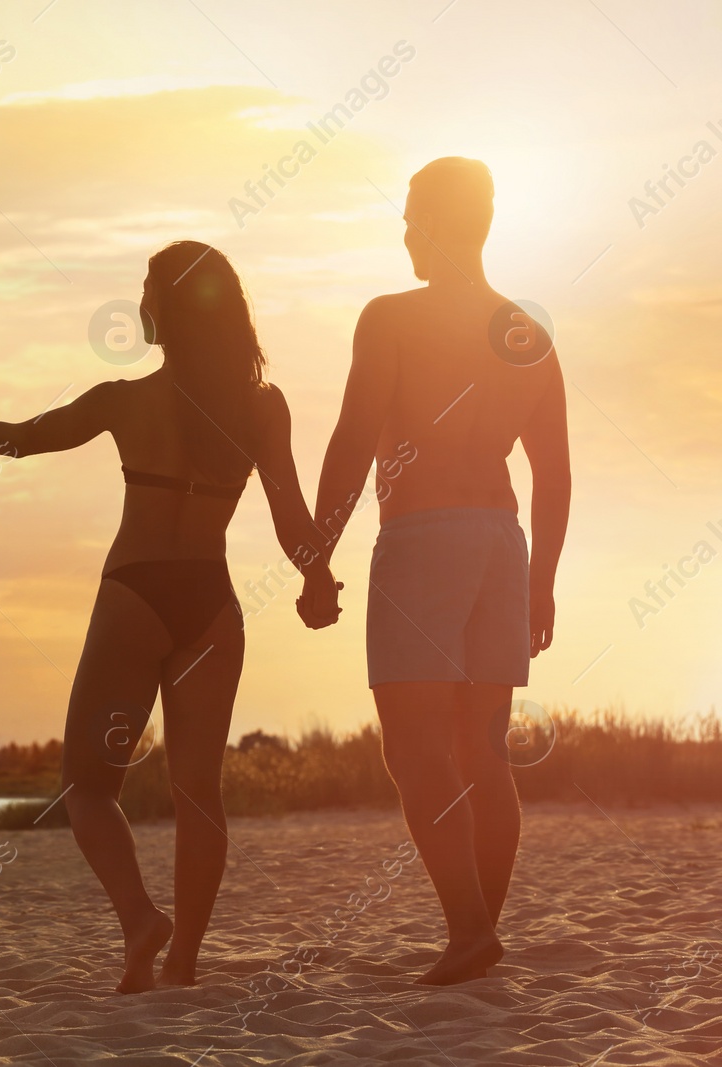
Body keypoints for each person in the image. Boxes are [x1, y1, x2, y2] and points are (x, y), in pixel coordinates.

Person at [0, 241, 339, 993]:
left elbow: (20, 438)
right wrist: (317, 572)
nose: (141, 303)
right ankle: (184, 958)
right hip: (212, 606)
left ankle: (139, 921)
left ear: (172, 309)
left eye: (148, 289)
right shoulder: (262, 407)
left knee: (87, 788)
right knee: (200, 792)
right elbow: (290, 512)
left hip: (135, 596)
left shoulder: (124, 400)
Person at [307, 157, 571, 985]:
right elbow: (554, 472)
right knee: (482, 750)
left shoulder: (390, 317)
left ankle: (467, 930)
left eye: (414, 216)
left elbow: (352, 440)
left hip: (423, 536)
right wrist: (542, 580)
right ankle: (475, 934)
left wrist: (316, 560)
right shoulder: (523, 328)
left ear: (443, 224)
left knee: (415, 750)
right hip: (501, 536)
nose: (406, 232)